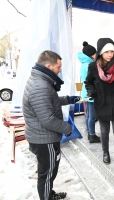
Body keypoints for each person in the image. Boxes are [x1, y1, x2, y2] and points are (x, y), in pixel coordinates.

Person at [22, 50, 80, 200]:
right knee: (47, 173)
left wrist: (68, 99)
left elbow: (50, 101)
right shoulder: (40, 86)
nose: (60, 70)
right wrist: (68, 128)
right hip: (44, 139)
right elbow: (47, 119)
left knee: (49, 171)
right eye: (58, 67)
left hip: (43, 136)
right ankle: (46, 197)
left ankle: (48, 193)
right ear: (48, 66)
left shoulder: (42, 80)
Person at [85, 38, 114, 172]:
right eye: (107, 52)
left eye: (112, 51)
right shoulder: (93, 66)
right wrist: (91, 91)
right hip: (101, 103)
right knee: (104, 132)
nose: (110, 54)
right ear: (100, 52)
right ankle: (105, 152)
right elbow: (89, 82)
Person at [78, 41, 101, 143]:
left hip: (85, 91)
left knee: (88, 114)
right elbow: (93, 80)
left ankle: (89, 131)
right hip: (91, 92)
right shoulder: (90, 65)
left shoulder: (84, 64)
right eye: (95, 53)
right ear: (91, 55)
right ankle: (92, 135)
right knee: (92, 115)